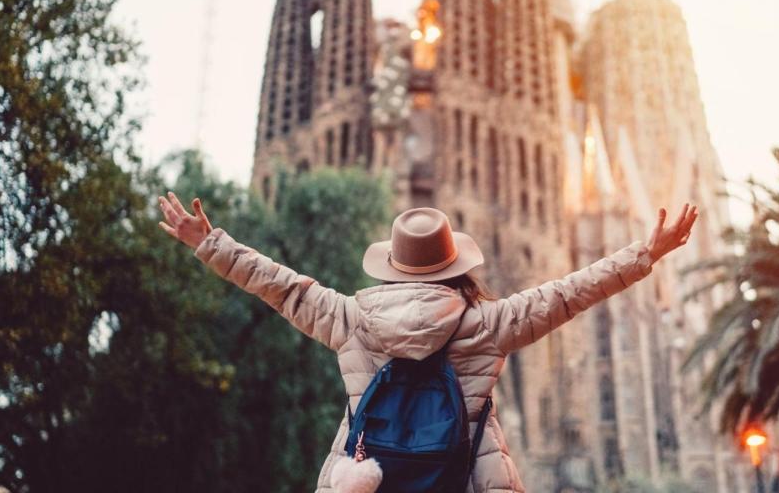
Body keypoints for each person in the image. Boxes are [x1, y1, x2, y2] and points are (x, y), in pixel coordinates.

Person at [157, 191, 698, 493]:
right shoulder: (488, 323)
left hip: (366, 482)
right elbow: (569, 294)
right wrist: (646, 253)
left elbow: (281, 286)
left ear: (392, 270)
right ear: (454, 267)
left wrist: (210, 243)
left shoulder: (351, 319)